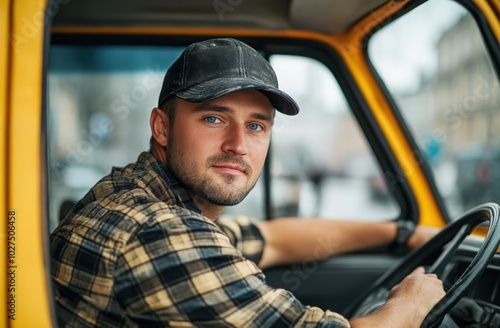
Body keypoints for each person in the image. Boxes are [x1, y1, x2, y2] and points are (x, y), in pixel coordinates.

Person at [51, 38, 445, 327]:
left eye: (256, 125)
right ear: (162, 127)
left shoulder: (144, 194)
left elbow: (270, 238)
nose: (238, 145)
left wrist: (403, 232)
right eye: (213, 118)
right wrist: (413, 302)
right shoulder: (155, 231)